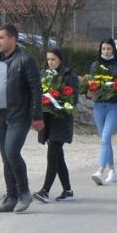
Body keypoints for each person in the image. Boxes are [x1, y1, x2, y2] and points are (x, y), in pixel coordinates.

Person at [0, 24, 43, 214]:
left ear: (13, 39)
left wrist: (37, 116)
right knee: (6, 158)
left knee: (12, 152)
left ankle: (24, 193)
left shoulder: (25, 60)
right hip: (0, 116)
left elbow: (36, 89)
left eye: (2, 37)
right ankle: (11, 196)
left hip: (19, 116)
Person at [33, 48, 78, 203]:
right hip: (48, 119)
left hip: (61, 119)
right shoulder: (43, 74)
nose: (50, 62)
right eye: (48, 60)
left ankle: (45, 190)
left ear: (60, 60)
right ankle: (67, 189)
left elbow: (72, 99)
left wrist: (57, 102)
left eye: (53, 59)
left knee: (53, 154)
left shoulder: (69, 76)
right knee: (58, 156)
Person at [88, 38, 117, 185]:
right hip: (98, 106)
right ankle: (113, 171)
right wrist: (92, 89)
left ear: (113, 50)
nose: (106, 51)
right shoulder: (95, 65)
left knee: (105, 138)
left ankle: (100, 170)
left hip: (114, 106)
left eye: (109, 49)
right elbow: (91, 84)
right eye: (103, 49)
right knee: (105, 140)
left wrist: (114, 86)